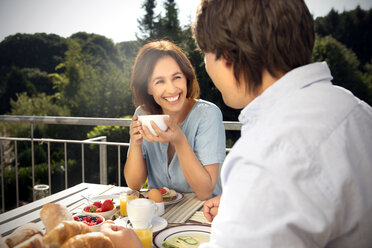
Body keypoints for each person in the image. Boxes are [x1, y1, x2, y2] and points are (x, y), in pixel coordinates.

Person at [102, 0, 372, 247]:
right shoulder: (356, 109)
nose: (205, 65)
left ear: (228, 56)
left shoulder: (265, 155)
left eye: (206, 52)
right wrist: (241, 206)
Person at [124, 40, 226, 201]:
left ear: (186, 77)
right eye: (159, 81)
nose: (171, 89)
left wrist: (179, 140)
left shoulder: (207, 115)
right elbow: (134, 184)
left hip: (204, 213)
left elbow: (205, 192)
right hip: (160, 215)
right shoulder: (143, 114)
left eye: (176, 77)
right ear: (148, 87)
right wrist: (136, 144)